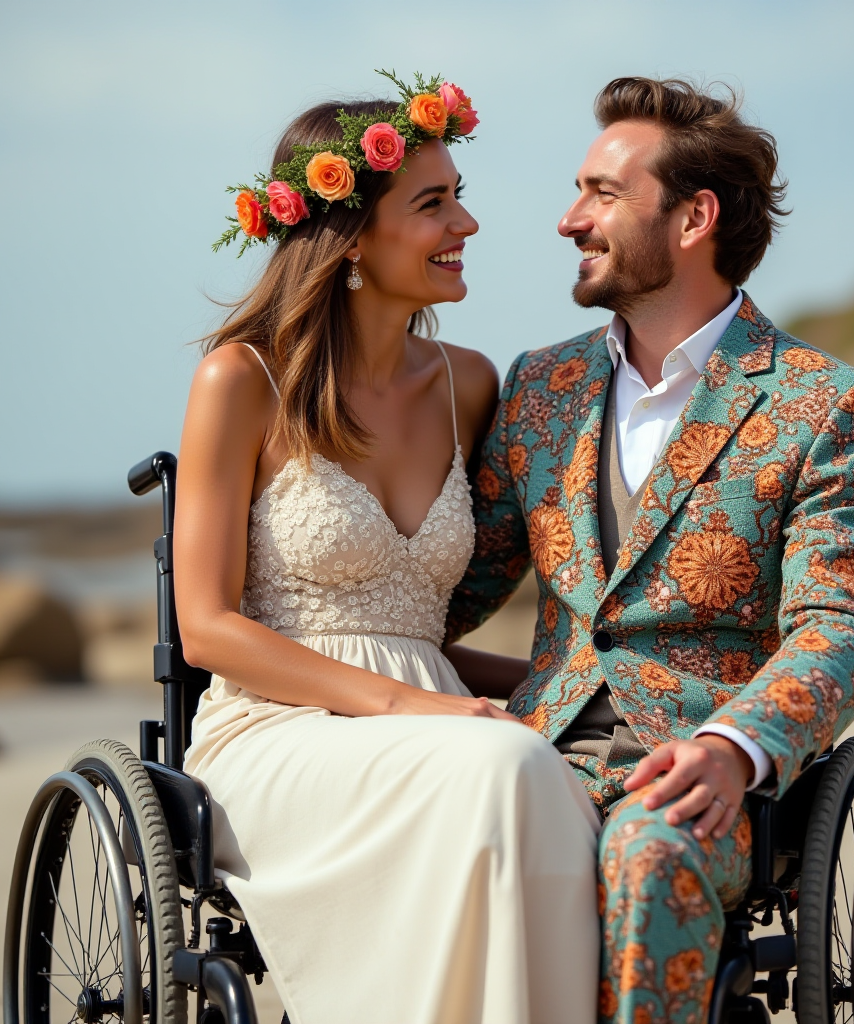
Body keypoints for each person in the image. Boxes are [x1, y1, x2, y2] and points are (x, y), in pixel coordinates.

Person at [446, 77, 854, 1024]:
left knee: (646, 855)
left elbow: (840, 626)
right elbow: (453, 588)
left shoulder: (821, 404)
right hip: (536, 759)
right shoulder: (541, 388)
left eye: (603, 193)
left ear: (695, 217)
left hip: (701, 780)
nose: (570, 219)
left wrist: (735, 748)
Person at [174, 73, 601, 1024]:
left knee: (528, 767)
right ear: (352, 238)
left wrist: (562, 680)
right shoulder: (241, 381)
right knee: (511, 769)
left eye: (461, 196)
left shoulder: (473, 384)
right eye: (435, 203)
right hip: (276, 733)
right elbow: (205, 630)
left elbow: (418, 632)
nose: (468, 224)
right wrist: (421, 710)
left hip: (438, 722)